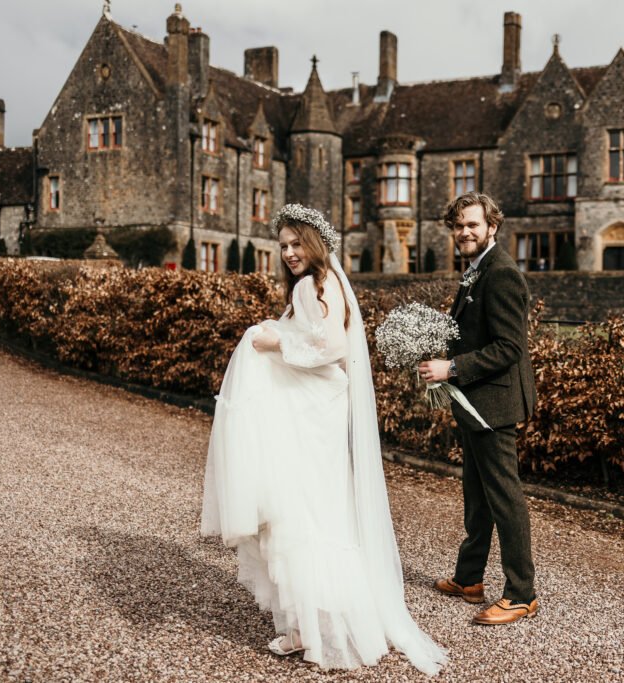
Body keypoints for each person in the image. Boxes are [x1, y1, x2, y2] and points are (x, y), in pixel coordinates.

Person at [200, 204, 445, 675]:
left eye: (297, 243)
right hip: (323, 412)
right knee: (316, 513)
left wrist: (274, 341)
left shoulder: (313, 285)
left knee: (298, 513)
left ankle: (311, 632)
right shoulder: (326, 282)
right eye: (284, 245)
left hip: (313, 417)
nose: (290, 253)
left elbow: (331, 347)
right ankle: (315, 627)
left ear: (315, 243)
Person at [419, 192, 538, 625]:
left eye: (472, 224)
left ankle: (522, 594)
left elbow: (509, 347)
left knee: (505, 498)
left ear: (492, 226)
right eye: (458, 226)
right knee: (476, 495)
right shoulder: (477, 269)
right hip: (474, 401)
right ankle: (469, 579)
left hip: (495, 404)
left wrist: (451, 368)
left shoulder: (502, 273)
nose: (464, 232)